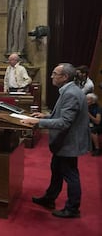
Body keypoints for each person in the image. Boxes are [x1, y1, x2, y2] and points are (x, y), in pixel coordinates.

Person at [21, 63, 89, 218]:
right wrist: (46, 116)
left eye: (54, 73)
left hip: (68, 142)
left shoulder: (71, 93)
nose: (51, 76)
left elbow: (65, 122)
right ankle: (49, 198)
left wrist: (38, 122)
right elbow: (62, 116)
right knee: (56, 170)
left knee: (70, 175)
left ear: (64, 77)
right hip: (64, 142)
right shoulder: (69, 90)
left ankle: (72, 209)